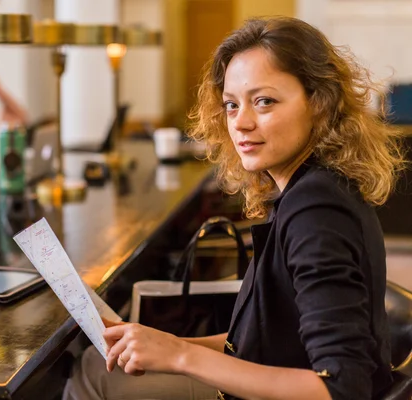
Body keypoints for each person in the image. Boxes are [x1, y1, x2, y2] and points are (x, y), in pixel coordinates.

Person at [63, 17, 404, 400]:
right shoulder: (308, 188)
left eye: (264, 101)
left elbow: (342, 387)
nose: (240, 123)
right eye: (231, 105)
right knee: (95, 361)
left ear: (319, 104)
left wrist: (179, 355)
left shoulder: (316, 210)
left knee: (90, 374)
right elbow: (264, 338)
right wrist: (170, 343)